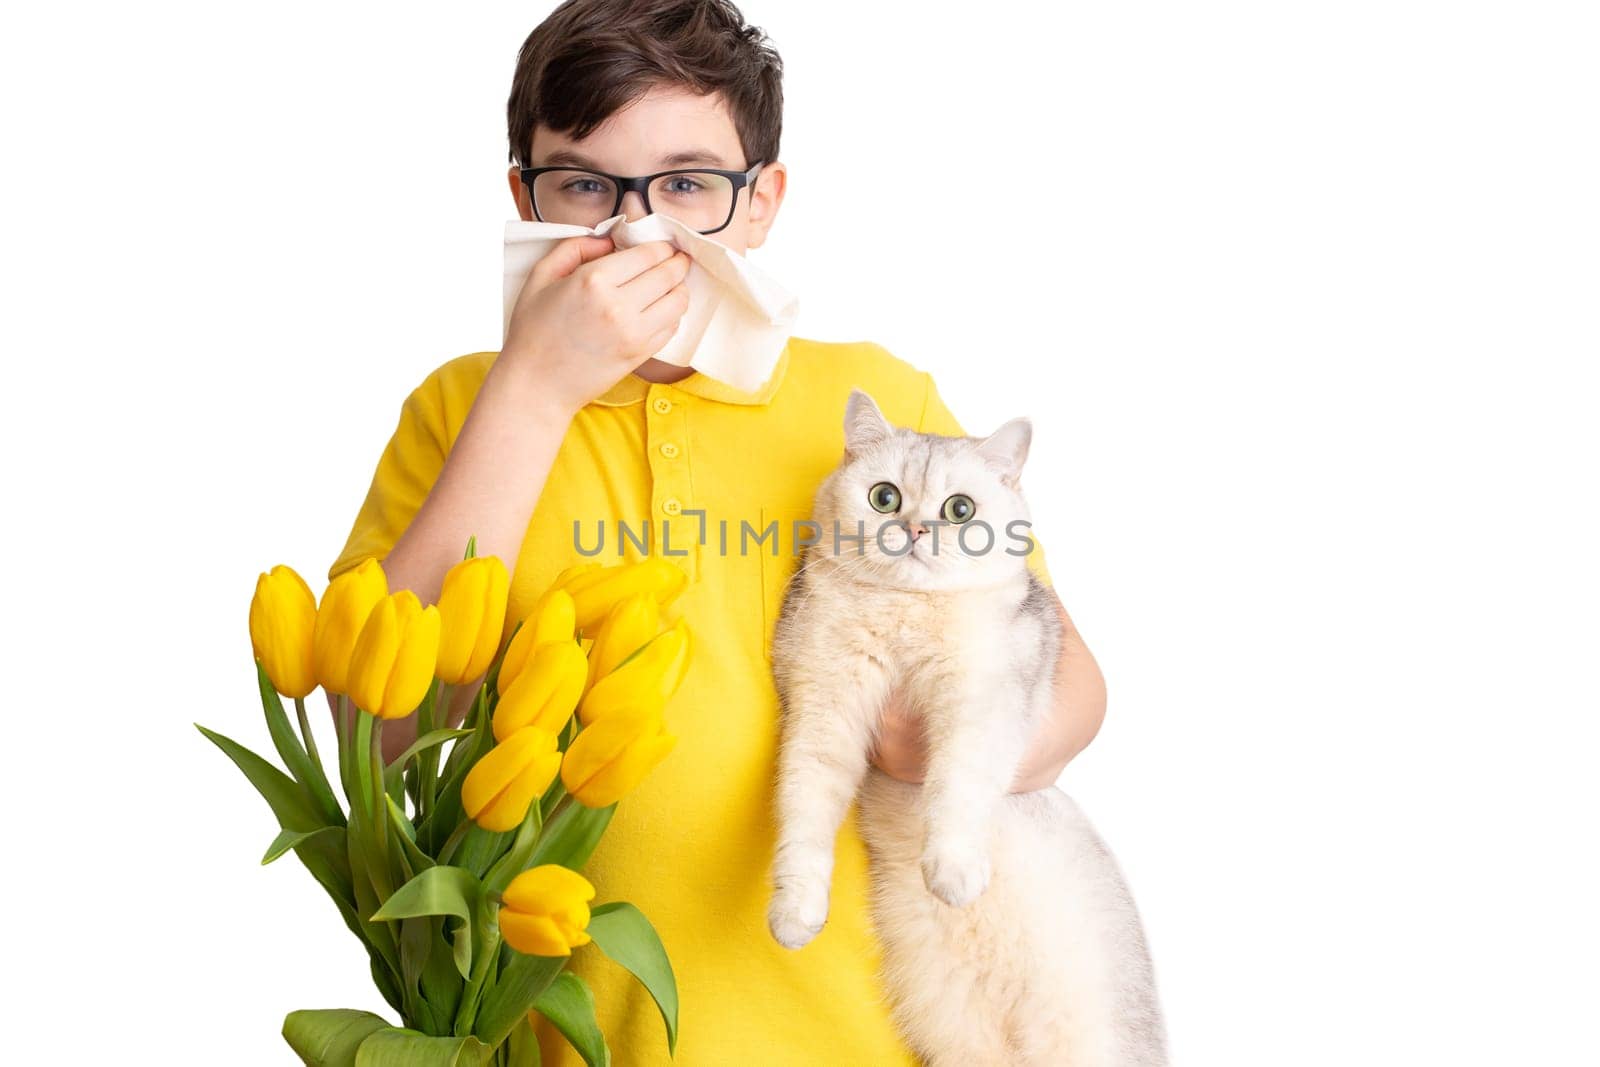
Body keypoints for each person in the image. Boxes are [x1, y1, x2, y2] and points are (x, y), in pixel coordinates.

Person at [326, 1, 1107, 1062]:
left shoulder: (874, 402)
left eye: (689, 183)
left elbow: (1067, 682)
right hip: (577, 1035)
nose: (640, 229)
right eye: (587, 185)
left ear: (761, 200)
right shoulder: (464, 409)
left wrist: (936, 741)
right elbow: (383, 727)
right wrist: (533, 393)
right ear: (525, 196)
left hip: (871, 1030)